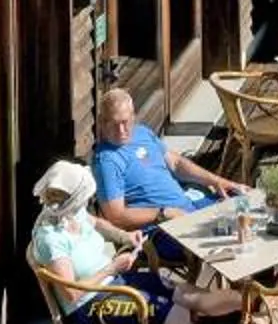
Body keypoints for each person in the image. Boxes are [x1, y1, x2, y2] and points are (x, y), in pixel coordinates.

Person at [29, 160, 245, 324]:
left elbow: (96, 222)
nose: (86, 201)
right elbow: (72, 294)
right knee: (177, 314)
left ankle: (251, 303)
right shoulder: (52, 238)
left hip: (114, 281)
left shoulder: (71, 211)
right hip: (89, 304)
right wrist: (112, 267)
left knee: (187, 294)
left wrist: (125, 236)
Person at [92, 86, 250, 232]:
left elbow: (176, 163)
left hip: (189, 205)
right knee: (227, 232)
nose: (121, 131)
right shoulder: (107, 161)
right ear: (102, 123)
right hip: (163, 228)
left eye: (125, 122)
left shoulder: (142, 133)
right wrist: (161, 214)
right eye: (114, 124)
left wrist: (217, 181)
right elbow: (116, 217)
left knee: (245, 204)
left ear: (133, 117)